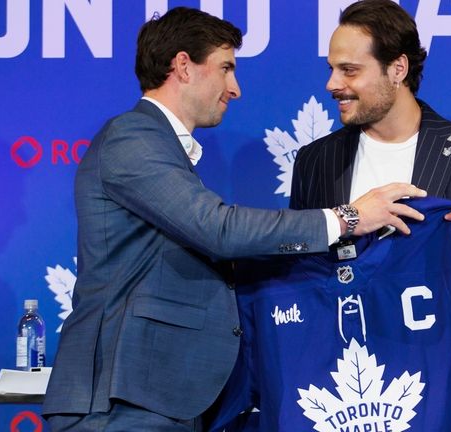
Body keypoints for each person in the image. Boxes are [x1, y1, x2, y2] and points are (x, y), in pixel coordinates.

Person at [41, 6, 427, 432]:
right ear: (183, 66)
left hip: (161, 399)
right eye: (226, 68)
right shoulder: (132, 137)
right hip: (120, 402)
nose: (235, 88)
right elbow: (218, 229)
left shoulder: (163, 149)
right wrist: (350, 217)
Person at [291, 0, 451, 316]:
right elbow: (298, 277)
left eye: (349, 70)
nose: (332, 84)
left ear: (398, 69)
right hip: (342, 355)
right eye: (331, 69)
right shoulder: (315, 160)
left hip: (437, 358)